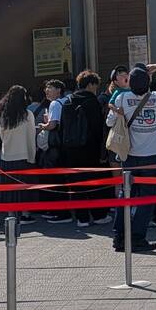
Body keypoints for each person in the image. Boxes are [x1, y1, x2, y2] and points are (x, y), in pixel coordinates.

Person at [106, 62, 156, 251]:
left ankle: (119, 236)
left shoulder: (122, 98)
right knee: (147, 198)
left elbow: (110, 122)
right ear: (149, 82)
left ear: (129, 82)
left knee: (125, 194)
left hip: (129, 155)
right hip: (153, 157)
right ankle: (136, 237)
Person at [59, 71, 108, 228]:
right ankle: (99, 215)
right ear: (91, 84)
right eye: (96, 86)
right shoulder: (92, 102)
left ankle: (82, 218)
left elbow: (62, 128)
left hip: (71, 149)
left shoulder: (67, 102)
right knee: (94, 182)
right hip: (90, 148)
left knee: (76, 183)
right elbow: (98, 129)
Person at [0, 85, 36, 212]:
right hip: (23, 157)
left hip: (7, 156)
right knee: (23, 187)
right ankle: (25, 214)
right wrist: (32, 157)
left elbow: (2, 136)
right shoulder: (28, 114)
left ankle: (10, 213)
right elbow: (31, 137)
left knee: (10, 188)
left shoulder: (3, 116)